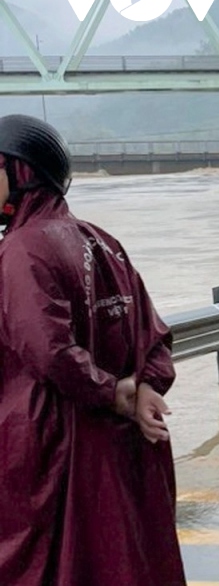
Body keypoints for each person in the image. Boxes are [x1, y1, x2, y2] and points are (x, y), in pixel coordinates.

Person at [0, 114, 186, 585]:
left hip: (53, 446)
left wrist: (113, 392)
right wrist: (144, 387)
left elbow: (49, 353)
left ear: (21, 173)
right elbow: (154, 333)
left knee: (54, 564)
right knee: (119, 560)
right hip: (120, 445)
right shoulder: (102, 242)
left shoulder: (23, 249)